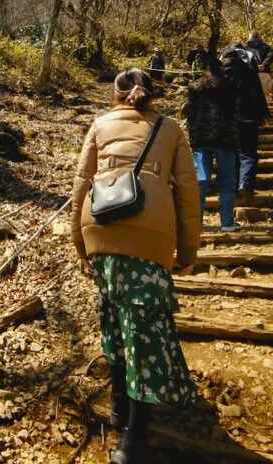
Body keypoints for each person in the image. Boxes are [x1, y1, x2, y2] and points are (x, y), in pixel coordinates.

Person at [71, 68, 200, 464]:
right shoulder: (170, 127)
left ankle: (117, 406)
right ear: (153, 93)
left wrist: (79, 241)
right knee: (142, 331)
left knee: (112, 316)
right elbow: (188, 191)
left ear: (115, 92)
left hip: (101, 230)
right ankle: (133, 439)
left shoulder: (100, 123)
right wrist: (188, 252)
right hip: (150, 240)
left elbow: (81, 182)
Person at [183, 53, 242, 232]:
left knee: (200, 181)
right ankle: (226, 222)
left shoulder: (196, 87)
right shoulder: (230, 86)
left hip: (201, 138)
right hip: (226, 138)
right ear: (220, 68)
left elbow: (189, 113)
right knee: (226, 181)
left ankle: (197, 223)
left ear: (204, 69)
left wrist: (192, 136)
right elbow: (237, 110)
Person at [221, 44, 270, 203]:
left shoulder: (220, 73)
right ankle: (246, 182)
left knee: (232, 155)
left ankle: (235, 188)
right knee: (248, 153)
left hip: (227, 120)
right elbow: (257, 93)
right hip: (248, 116)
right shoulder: (248, 70)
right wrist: (263, 115)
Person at [244, 30, 273, 103]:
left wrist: (252, 66)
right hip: (264, 71)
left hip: (250, 71)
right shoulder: (266, 46)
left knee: (251, 92)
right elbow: (271, 55)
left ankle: (255, 112)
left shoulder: (245, 47)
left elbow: (243, 58)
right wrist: (264, 64)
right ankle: (267, 112)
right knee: (265, 92)